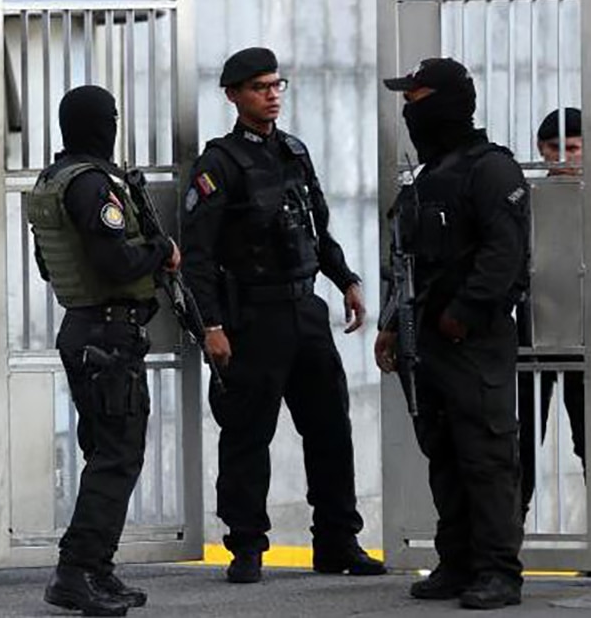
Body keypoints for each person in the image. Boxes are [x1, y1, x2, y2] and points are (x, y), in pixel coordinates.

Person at [181, 47, 384, 585]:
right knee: (248, 436)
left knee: (330, 429)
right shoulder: (219, 163)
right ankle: (246, 546)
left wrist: (346, 280)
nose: (272, 95)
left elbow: (317, 228)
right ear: (233, 95)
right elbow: (197, 255)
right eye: (259, 87)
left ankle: (337, 541)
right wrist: (211, 326)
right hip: (252, 316)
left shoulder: (294, 151)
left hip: (305, 309)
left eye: (276, 85)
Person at [377, 58, 529, 609]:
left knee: (486, 456)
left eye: (415, 99)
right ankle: (458, 561)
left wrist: (464, 311)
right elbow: (406, 263)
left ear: (446, 103)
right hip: (426, 340)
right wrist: (390, 326)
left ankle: (498, 571)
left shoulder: (492, 170)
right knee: (443, 452)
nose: (408, 111)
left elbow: (504, 255)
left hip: (474, 339)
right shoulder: (427, 177)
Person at [28, 85, 180, 617]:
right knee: (117, 455)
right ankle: (75, 572)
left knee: (106, 453)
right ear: (101, 124)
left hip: (86, 330)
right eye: (110, 118)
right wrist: (161, 250)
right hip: (108, 335)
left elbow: (48, 265)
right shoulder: (92, 185)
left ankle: (96, 567)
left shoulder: (53, 181)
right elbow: (117, 263)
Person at [517, 108, 586, 520]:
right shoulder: (527, 198)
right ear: (540, 150)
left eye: (573, 148)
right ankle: (508, 536)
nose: (562, 158)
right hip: (533, 331)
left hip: (589, 331)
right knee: (522, 442)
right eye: (554, 148)